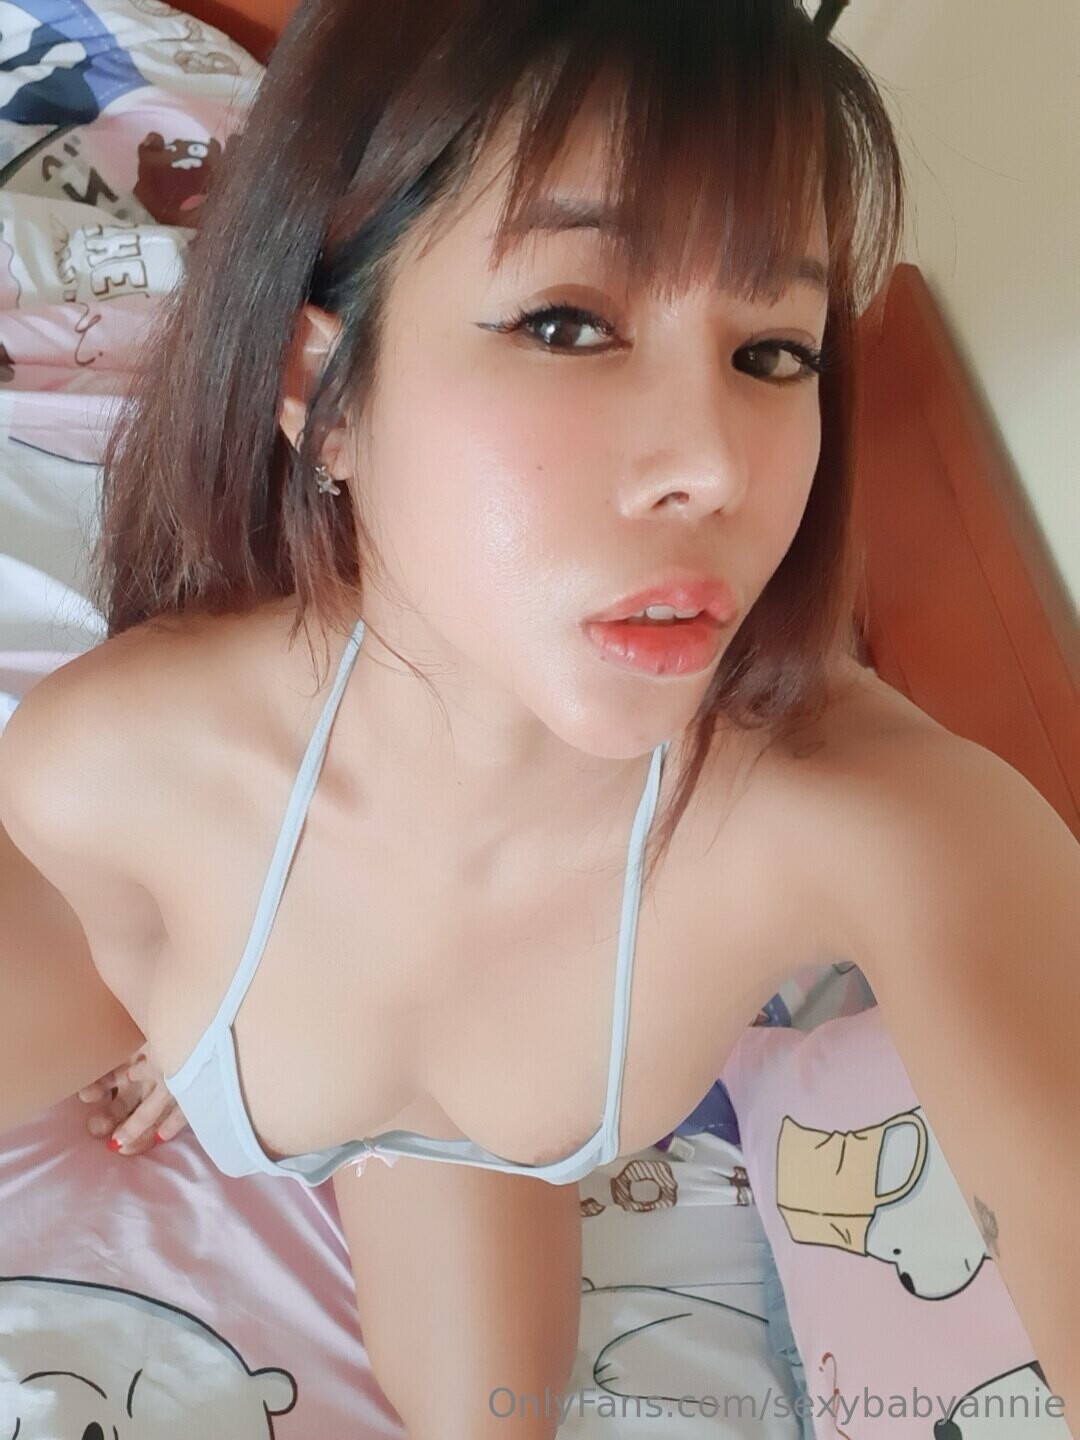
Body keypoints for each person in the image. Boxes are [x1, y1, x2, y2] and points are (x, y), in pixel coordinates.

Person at [0, 2, 1076, 1434]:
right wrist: (191, 1020)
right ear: (324, 390)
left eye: (773, 352)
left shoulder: (875, 824)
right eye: (569, 325)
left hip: (453, 1137)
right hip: (152, 941)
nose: (714, 468)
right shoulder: (110, 766)